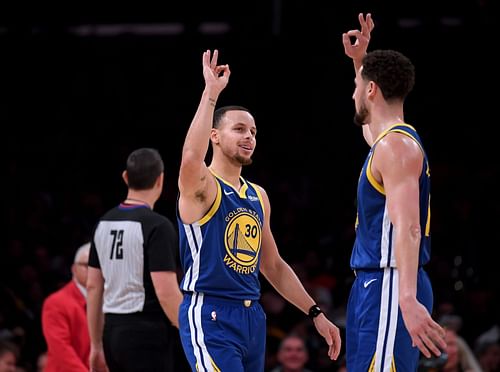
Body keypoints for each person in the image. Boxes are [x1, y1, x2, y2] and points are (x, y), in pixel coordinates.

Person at [176, 49, 341, 372]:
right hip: (211, 312)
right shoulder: (203, 185)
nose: (249, 137)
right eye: (239, 129)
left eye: (253, 132)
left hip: (252, 318)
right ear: (215, 136)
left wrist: (315, 313)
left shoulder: (258, 195)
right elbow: (190, 157)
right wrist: (210, 94)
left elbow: (273, 265)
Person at [341, 13, 447, 371]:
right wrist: (361, 61)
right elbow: (369, 127)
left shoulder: (396, 148)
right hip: (377, 284)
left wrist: (405, 297)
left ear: (372, 90)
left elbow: (409, 227)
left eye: (358, 86)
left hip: (390, 280)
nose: (353, 92)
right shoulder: (388, 143)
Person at [87, 148, 183, 372]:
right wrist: (192, 333)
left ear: (125, 177)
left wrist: (95, 345)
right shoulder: (158, 226)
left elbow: (93, 287)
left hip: (111, 333)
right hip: (147, 337)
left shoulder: (103, 222)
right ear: (160, 180)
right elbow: (166, 292)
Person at [41, 242, 91, 372]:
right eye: (87, 265)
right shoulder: (56, 303)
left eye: (97, 266)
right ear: (74, 269)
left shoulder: (107, 300)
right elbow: (60, 349)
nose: (93, 271)